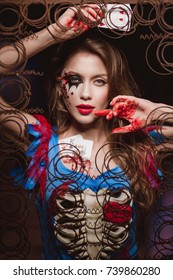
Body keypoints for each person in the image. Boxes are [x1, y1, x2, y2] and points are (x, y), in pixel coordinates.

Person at [0, 4, 173, 260]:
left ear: (112, 88)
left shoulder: (138, 144)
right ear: (60, 87)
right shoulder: (42, 142)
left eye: (99, 81)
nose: (85, 93)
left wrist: (155, 113)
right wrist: (55, 32)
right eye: (74, 80)